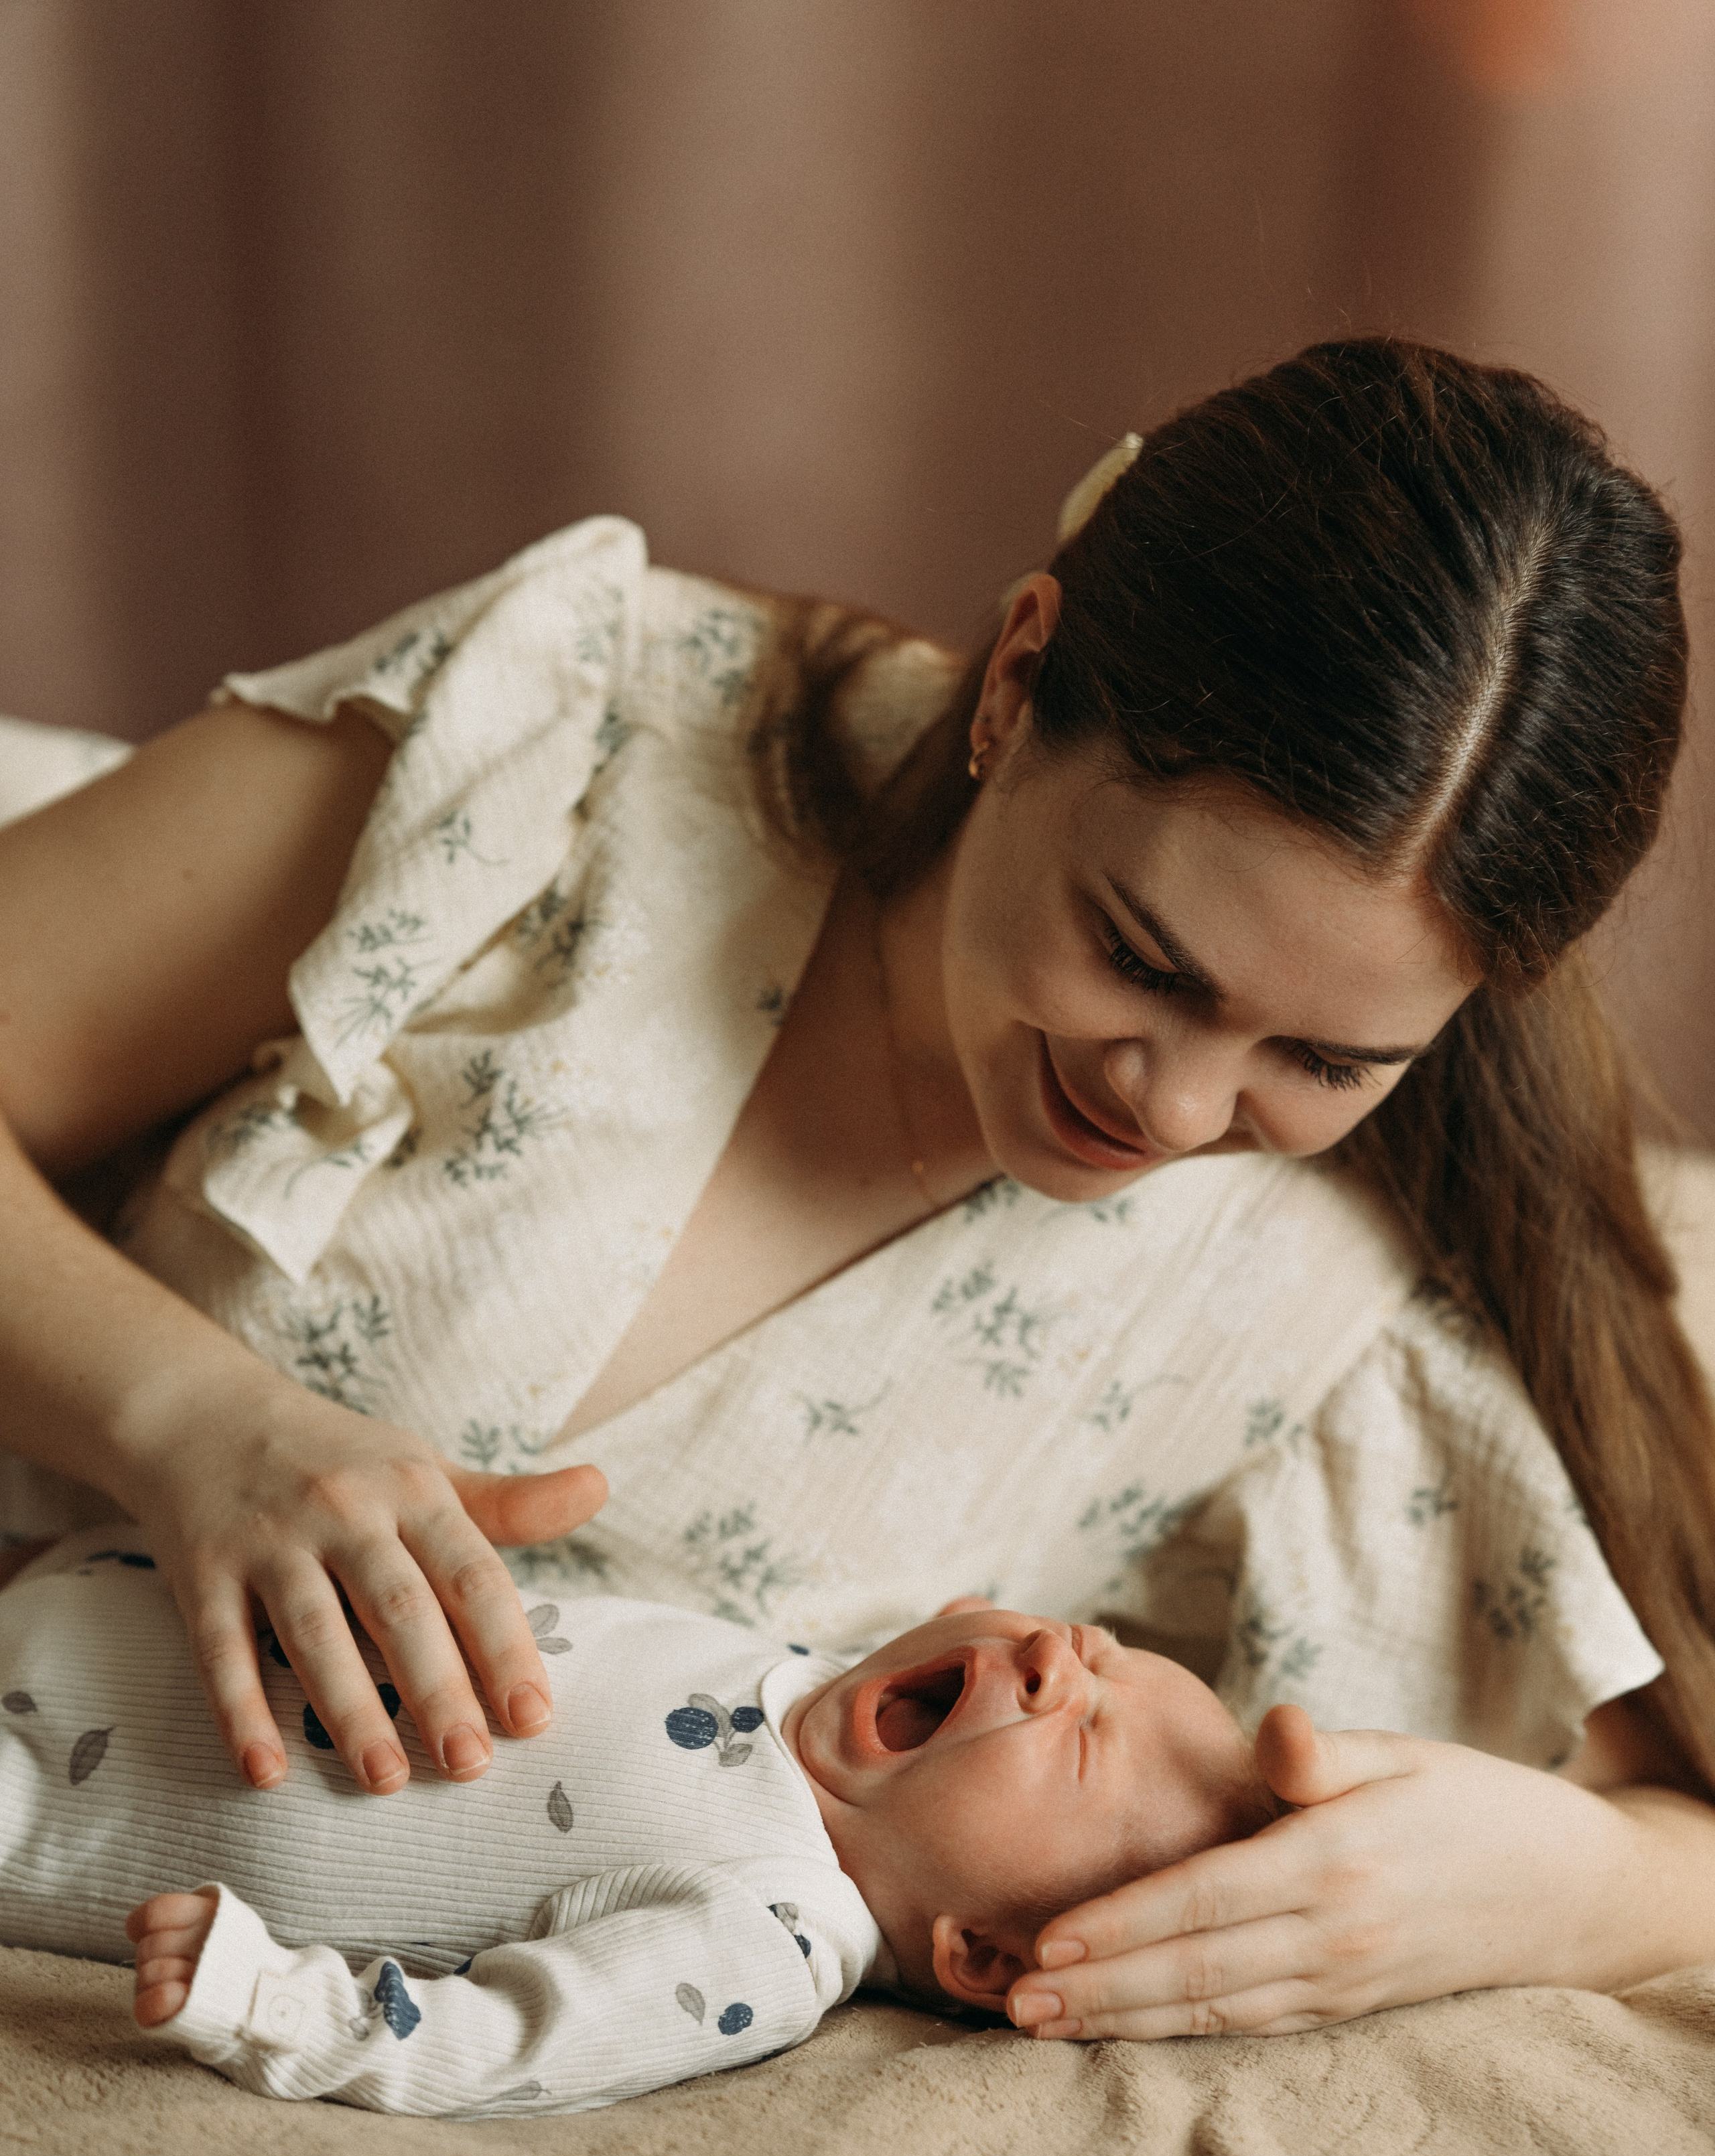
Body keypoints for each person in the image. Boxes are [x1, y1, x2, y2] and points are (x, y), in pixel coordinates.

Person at [3, 337, 1715, 2051]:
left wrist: (1565, 1886)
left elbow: (1669, 1820)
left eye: (1327, 1060)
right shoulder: (571, 748)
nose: (1174, 1106)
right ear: (1014, 682)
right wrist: (187, 1415)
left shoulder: (1324, 1313)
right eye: (1139, 956)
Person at [0, 1530, 1269, 2115]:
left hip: (52, 1788)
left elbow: (519, 2042)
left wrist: (282, 2005)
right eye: (1095, 1646)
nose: (1057, 1656)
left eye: (1086, 1737)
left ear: (984, 1955)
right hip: (121, 1580)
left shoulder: (772, 1929)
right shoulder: (820, 1665)